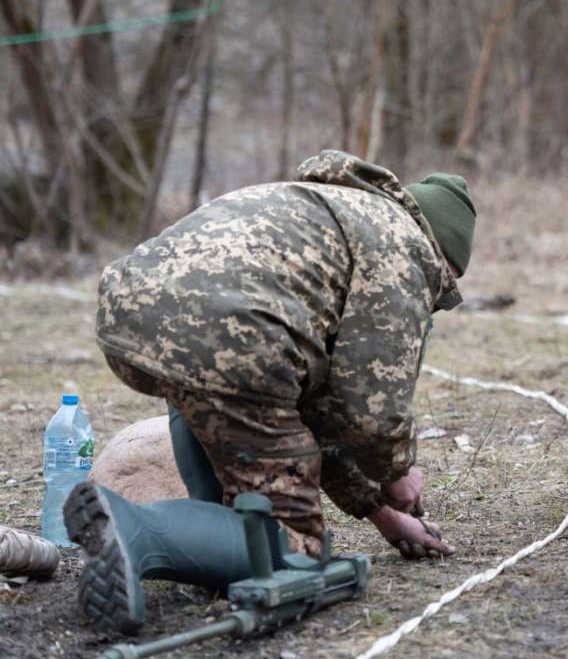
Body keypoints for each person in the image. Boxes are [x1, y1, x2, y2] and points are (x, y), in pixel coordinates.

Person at [67, 149, 475, 634]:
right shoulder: (402, 245)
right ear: (442, 256)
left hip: (132, 318)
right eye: (441, 288)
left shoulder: (328, 209)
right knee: (291, 553)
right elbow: (369, 411)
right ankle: (135, 529)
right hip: (235, 342)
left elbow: (315, 412)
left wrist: (378, 511)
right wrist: (397, 472)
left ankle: (199, 541)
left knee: (234, 465)